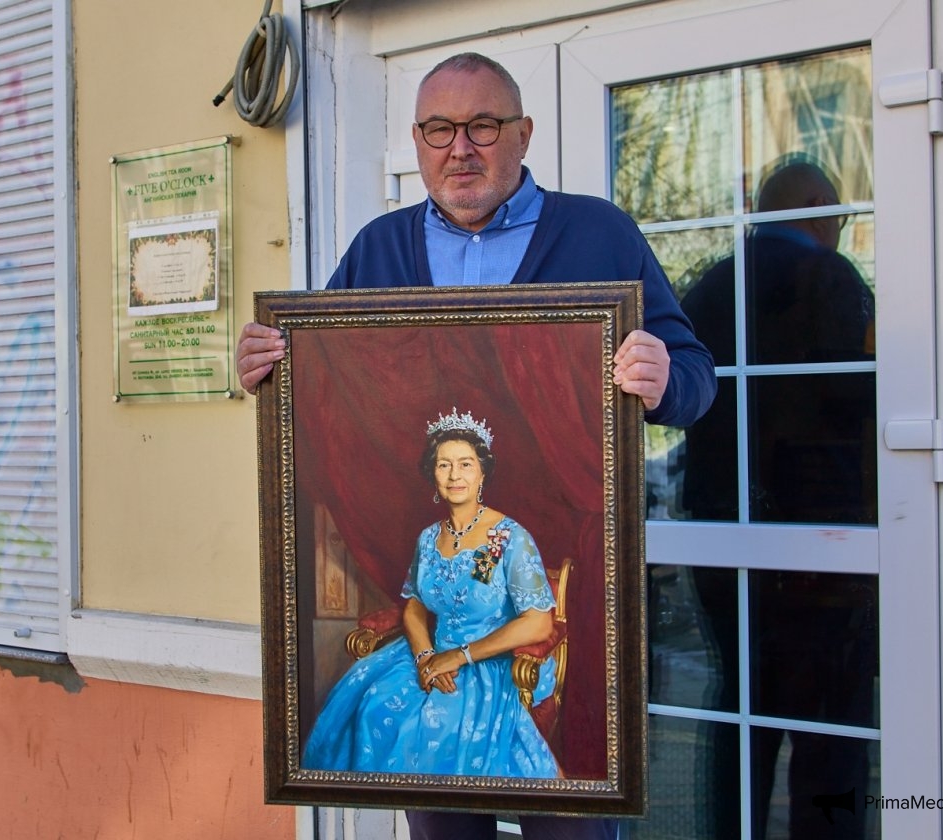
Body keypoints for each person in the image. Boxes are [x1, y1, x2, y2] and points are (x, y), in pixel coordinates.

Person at [238, 52, 718, 840]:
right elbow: (324, 379)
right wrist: (269, 369)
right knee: (437, 821)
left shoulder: (599, 233)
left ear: (523, 134)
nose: (459, 149)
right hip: (439, 633)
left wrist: (664, 377)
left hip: (561, 597)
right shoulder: (378, 248)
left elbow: (698, 379)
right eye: (438, 129)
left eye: (483, 127)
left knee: (570, 825)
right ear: (417, 142)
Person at [681, 157, 877, 839]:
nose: (840, 230)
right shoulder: (829, 278)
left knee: (744, 709)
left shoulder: (709, 288)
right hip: (820, 537)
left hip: (721, 531)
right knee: (831, 724)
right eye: (839, 217)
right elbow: (858, 398)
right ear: (818, 209)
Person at [303, 409, 561, 778]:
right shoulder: (428, 538)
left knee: (433, 726)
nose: (455, 475)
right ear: (432, 474)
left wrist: (458, 656)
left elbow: (538, 623)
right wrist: (426, 657)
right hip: (432, 653)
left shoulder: (508, 536)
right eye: (444, 465)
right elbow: (414, 607)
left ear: (482, 472)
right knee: (375, 704)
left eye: (466, 464)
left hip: (489, 663)